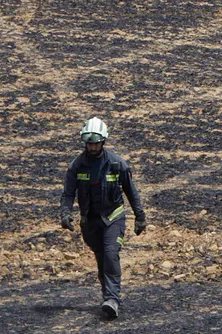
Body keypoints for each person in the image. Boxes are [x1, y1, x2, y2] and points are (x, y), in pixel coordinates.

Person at [60, 117, 147, 319]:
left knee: (110, 253)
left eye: (95, 143)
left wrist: (140, 217)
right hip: (89, 221)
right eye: (89, 143)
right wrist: (65, 214)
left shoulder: (117, 164)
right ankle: (108, 295)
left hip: (113, 217)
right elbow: (68, 194)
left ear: (103, 141)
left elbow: (131, 192)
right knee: (101, 258)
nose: (92, 147)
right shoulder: (76, 166)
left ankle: (112, 299)